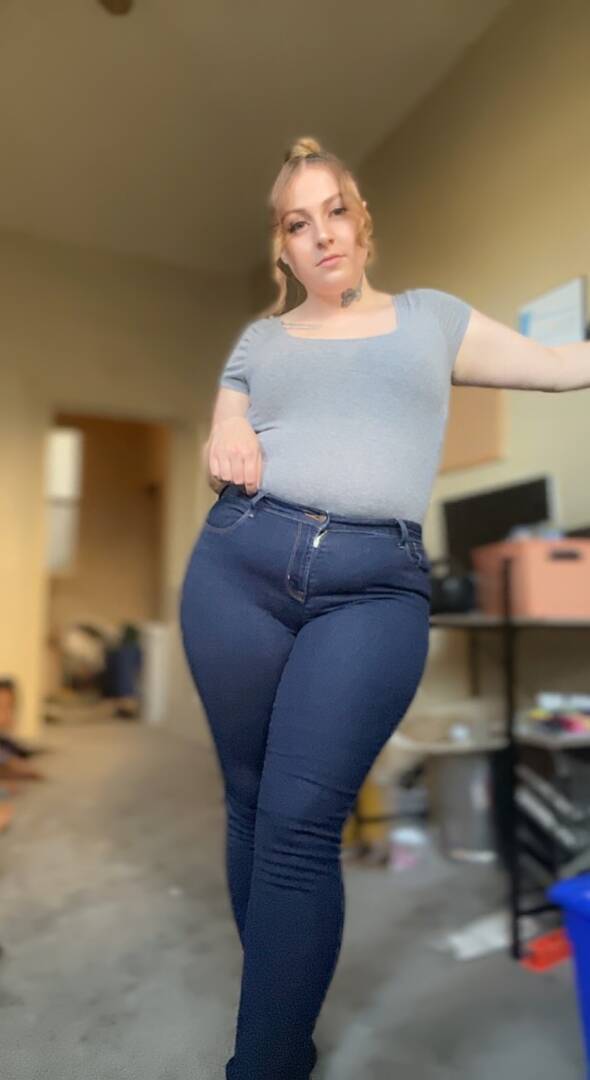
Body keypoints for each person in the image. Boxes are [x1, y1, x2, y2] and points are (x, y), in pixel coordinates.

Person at [179, 136, 590, 1080]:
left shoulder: (430, 319)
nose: (321, 234)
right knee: (249, 801)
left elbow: (564, 364)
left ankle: (264, 1062)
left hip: (372, 588)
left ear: (361, 219)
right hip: (239, 566)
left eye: (335, 211)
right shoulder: (260, 340)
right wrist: (225, 427)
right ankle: (280, 1014)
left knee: (297, 824)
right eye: (298, 223)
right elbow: (229, 411)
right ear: (283, 249)